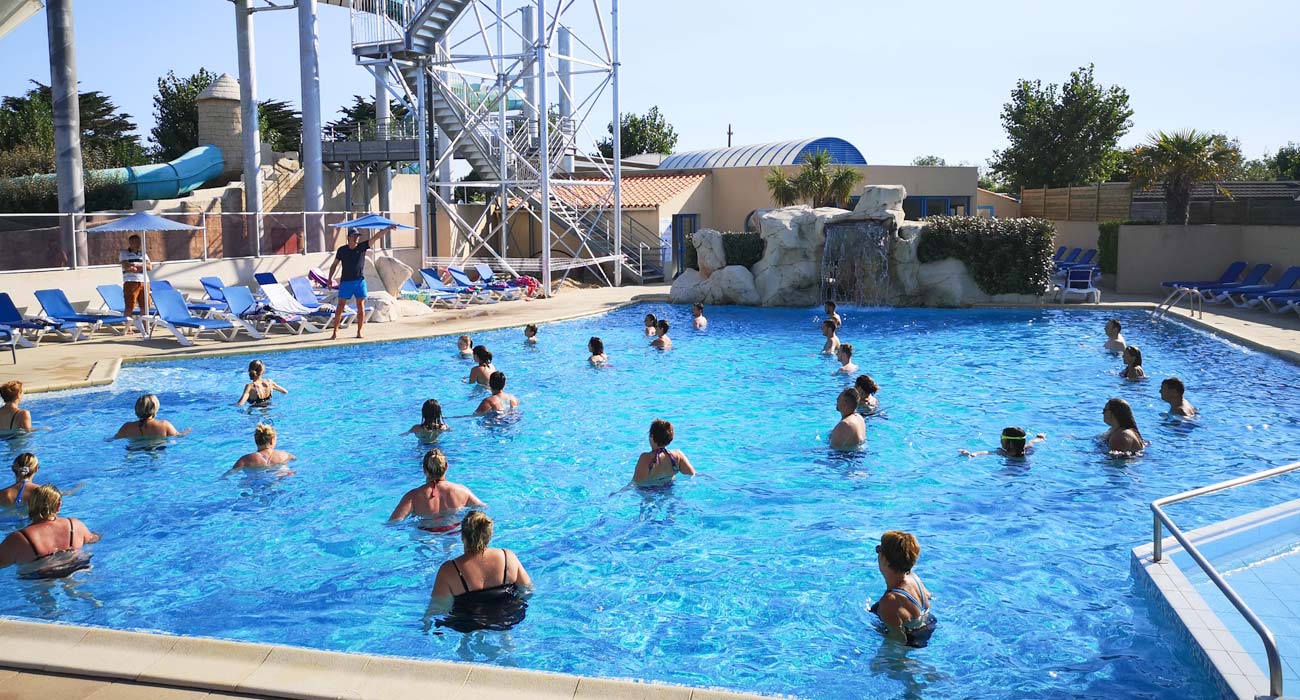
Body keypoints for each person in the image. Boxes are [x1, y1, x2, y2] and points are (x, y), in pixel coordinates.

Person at [428, 511, 532, 633]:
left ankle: (465, 644)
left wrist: (426, 625)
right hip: (507, 616)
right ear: (490, 535)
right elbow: (527, 590)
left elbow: (439, 608)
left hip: (469, 623)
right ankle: (505, 636)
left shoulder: (449, 569)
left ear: (462, 536)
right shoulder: (508, 557)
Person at [0, 485, 100, 579]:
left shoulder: (18, 538)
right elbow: (94, 539)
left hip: (39, 577)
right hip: (77, 567)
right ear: (58, 506)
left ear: (29, 505)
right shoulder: (75, 525)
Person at [869, 530, 936, 647]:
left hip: (911, 639)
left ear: (885, 560)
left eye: (878, 550)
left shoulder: (890, 600)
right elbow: (930, 597)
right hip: (929, 623)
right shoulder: (914, 578)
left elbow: (897, 640)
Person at [389, 449, 485, 523]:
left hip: (425, 535)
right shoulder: (462, 491)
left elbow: (394, 522)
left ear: (424, 469)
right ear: (446, 467)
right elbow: (483, 508)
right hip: (453, 531)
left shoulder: (412, 496)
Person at [327, 226, 389, 340]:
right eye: (354, 236)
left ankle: (359, 331)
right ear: (348, 237)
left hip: (359, 281)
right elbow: (334, 265)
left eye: (357, 236)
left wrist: (387, 229)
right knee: (340, 307)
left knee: (360, 306)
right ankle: (335, 332)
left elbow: (376, 237)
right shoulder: (342, 250)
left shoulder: (362, 247)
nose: (356, 238)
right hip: (346, 282)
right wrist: (330, 278)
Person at [632, 419, 697, 485]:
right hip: (668, 489)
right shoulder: (678, 455)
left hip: (649, 492)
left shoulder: (646, 458)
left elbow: (635, 483)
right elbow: (692, 474)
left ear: (651, 436)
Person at [112, 394, 188, 439]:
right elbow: (179, 436)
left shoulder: (127, 427)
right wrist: (187, 430)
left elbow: (114, 438)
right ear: (155, 408)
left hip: (135, 448)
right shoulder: (164, 425)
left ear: (136, 409)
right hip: (157, 448)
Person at [120, 234, 152, 333]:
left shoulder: (143, 254)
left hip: (144, 281)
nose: (137, 244)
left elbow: (150, 267)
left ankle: (145, 326)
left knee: (145, 305)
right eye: (135, 242)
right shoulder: (124, 253)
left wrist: (136, 266)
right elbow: (127, 267)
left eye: (139, 242)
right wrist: (141, 266)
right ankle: (128, 328)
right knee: (130, 305)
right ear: (130, 243)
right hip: (131, 282)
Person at [230, 424, 296, 470]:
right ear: (272, 441)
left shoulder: (245, 459)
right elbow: (295, 460)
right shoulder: (285, 455)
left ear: (256, 440)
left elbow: (230, 473)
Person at [959, 427, 1047, 458]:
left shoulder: (1004, 453)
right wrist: (1041, 437)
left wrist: (970, 454)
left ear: (1010, 443)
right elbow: (1034, 441)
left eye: (1002, 437)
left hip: (1012, 467)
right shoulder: (1028, 447)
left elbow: (986, 452)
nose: (1000, 439)